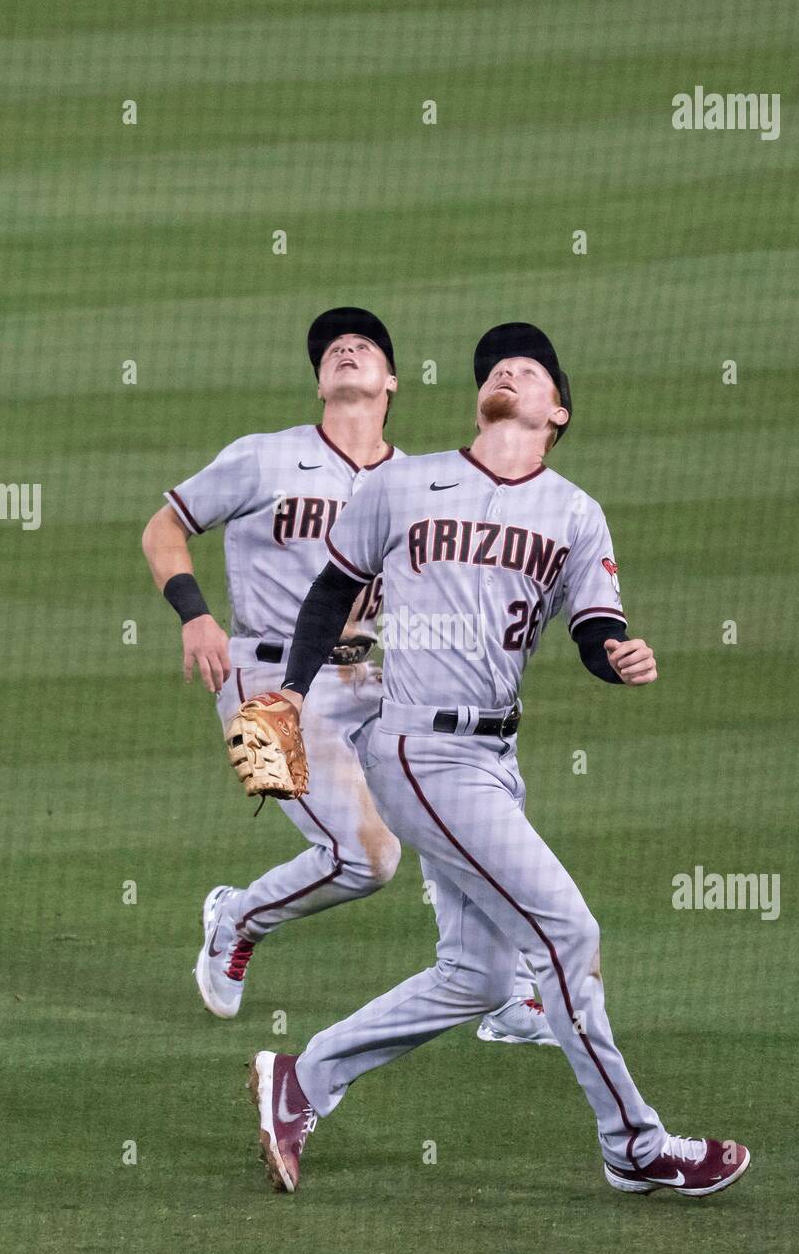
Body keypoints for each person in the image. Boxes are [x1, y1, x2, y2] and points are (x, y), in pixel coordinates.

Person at [249, 322, 751, 1201]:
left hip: (492, 759)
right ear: (480, 398)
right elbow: (332, 590)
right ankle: (634, 1144)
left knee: (479, 976)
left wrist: (619, 656)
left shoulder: (575, 513)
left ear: (558, 409)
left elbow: (596, 627)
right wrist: (289, 694)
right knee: (569, 934)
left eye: (531, 368)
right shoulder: (401, 483)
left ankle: (303, 1079)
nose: (509, 369)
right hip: (414, 749)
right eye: (496, 367)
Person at [142, 308, 554, 1046]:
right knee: (366, 858)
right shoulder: (263, 457)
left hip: (375, 683)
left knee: (459, 806)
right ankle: (237, 916)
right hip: (261, 689)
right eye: (332, 347)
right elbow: (163, 528)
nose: (347, 347)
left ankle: (511, 989)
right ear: (320, 381)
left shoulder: (420, 482)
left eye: (365, 344)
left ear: (392, 380)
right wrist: (194, 615)